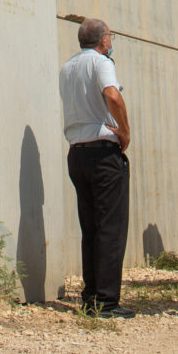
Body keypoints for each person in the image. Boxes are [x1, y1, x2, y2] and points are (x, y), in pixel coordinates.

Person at [61, 17, 134, 318]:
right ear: (104, 41)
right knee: (111, 227)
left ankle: (91, 294)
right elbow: (112, 95)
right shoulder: (101, 62)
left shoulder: (67, 67)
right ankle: (107, 300)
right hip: (103, 151)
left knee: (90, 227)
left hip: (77, 152)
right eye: (111, 36)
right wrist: (125, 129)